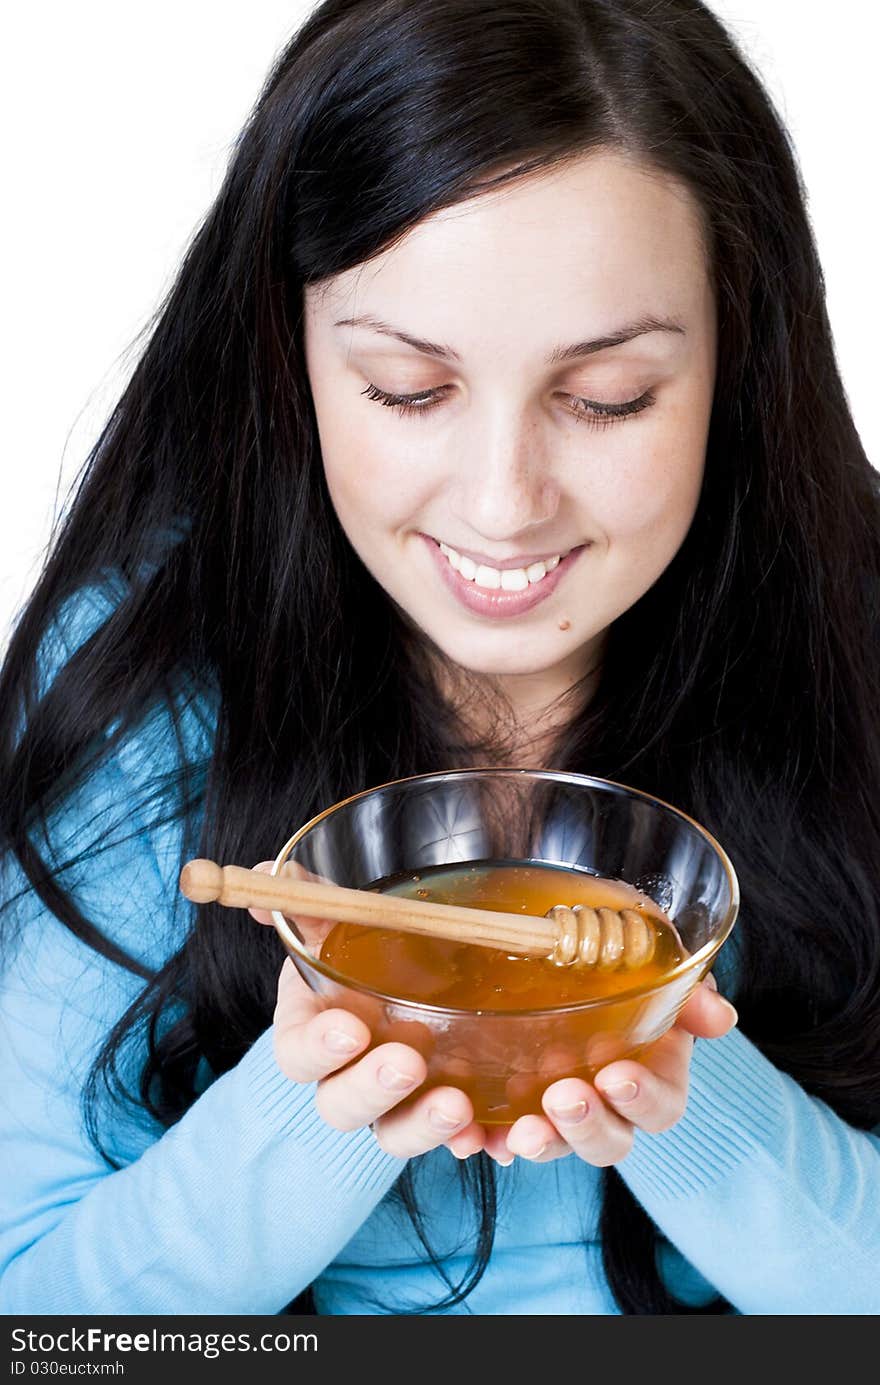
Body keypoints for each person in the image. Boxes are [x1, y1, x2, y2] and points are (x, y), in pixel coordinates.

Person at [1, 0, 878, 1317]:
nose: (503, 500)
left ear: (739, 357)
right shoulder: (150, 691)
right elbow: (48, 1325)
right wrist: (331, 1097)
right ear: (287, 352)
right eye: (410, 390)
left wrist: (677, 1079)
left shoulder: (859, 647)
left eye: (607, 397)